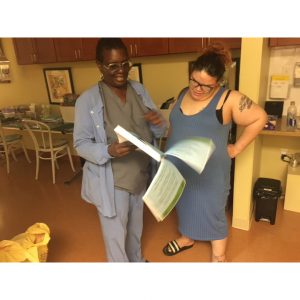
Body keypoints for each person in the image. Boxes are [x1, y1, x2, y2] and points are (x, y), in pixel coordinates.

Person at [162, 43, 267, 262]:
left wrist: (237, 148)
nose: (197, 89)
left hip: (211, 173)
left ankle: (219, 256)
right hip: (181, 168)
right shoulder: (183, 93)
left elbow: (260, 118)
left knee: (213, 211)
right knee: (184, 203)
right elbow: (176, 125)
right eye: (194, 81)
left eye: (206, 86)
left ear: (218, 83)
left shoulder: (229, 99)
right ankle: (187, 238)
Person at [73, 38, 166, 262]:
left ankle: (136, 260)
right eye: (113, 65)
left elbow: (160, 130)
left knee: (135, 228)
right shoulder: (88, 100)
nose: (121, 71)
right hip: (112, 182)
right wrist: (109, 151)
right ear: (99, 65)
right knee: (116, 236)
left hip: (140, 175)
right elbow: (80, 144)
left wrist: (158, 121)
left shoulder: (139, 90)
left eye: (125, 63)